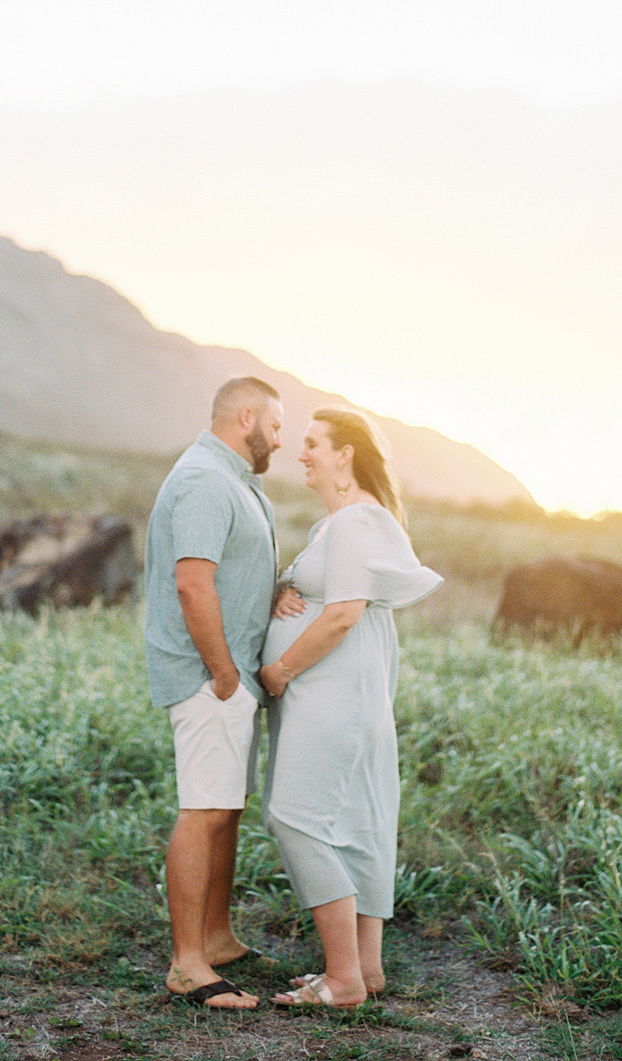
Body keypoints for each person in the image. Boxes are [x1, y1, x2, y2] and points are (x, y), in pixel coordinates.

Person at [259, 408, 442, 1007]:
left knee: (295, 816)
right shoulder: (345, 523)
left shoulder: (356, 521)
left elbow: (342, 613)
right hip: (342, 693)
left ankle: (341, 982)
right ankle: (365, 967)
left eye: (313, 444)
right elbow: (329, 595)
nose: (301, 453)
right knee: (358, 820)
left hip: (330, 695)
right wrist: (289, 586)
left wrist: (280, 670)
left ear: (346, 454)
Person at [144, 376, 283, 1010]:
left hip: (231, 678)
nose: (280, 439)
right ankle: (187, 964)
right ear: (246, 417)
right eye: (276, 427)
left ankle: (218, 939)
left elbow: (231, 572)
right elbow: (192, 585)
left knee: (225, 808)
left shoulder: (236, 482)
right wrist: (224, 672)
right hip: (209, 678)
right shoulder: (205, 478)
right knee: (204, 809)